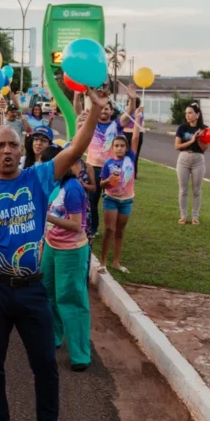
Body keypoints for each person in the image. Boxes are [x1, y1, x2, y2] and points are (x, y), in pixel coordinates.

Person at [0, 88, 106, 421]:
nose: (7, 151)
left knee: (44, 364)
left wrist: (94, 110)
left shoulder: (39, 178)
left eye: (12, 144)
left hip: (31, 290)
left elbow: (75, 149)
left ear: (21, 150)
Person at [39, 146, 91, 370]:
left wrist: (46, 216)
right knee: (48, 293)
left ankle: (80, 355)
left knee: (71, 300)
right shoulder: (56, 184)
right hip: (51, 246)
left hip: (71, 251)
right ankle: (53, 336)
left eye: (46, 164)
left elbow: (76, 225)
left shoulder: (72, 188)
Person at [98, 109, 142, 274]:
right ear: (112, 147)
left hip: (127, 201)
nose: (119, 148)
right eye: (116, 146)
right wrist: (107, 181)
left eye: (122, 146)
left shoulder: (130, 159)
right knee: (109, 229)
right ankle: (103, 262)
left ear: (126, 148)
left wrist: (137, 118)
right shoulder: (108, 163)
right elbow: (101, 184)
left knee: (120, 231)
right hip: (111, 199)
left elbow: (135, 138)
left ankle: (116, 262)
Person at [85, 99, 134, 238]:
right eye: (102, 108)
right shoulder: (91, 123)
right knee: (91, 201)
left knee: (113, 199)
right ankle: (93, 228)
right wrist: (77, 95)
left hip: (113, 169)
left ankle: (114, 229)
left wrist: (131, 99)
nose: (103, 111)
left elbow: (128, 113)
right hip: (93, 168)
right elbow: (79, 109)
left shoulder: (116, 125)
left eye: (107, 108)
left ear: (111, 111)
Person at [174, 102, 210, 225]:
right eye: (186, 113)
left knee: (196, 190)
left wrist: (199, 139)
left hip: (198, 160)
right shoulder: (182, 128)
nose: (187, 115)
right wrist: (191, 141)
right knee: (183, 190)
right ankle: (183, 216)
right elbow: (177, 146)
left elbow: (205, 148)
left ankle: (195, 216)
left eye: (190, 113)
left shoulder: (204, 129)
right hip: (183, 159)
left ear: (197, 114)